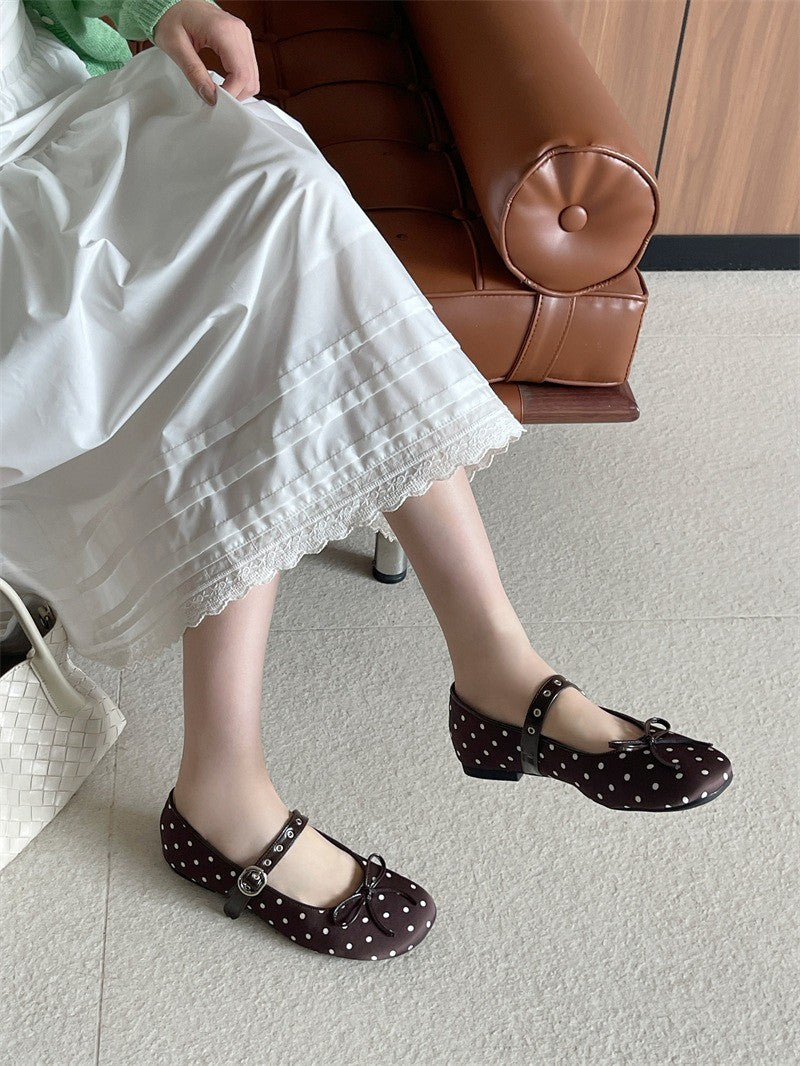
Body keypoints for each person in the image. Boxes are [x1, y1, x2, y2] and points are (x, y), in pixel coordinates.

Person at [0, 0, 732, 962]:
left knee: (280, 186)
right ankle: (238, 783)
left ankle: (491, 659)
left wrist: (165, 6)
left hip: (54, 105)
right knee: (232, 305)